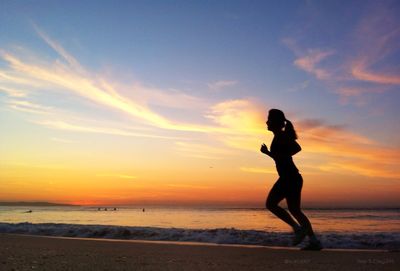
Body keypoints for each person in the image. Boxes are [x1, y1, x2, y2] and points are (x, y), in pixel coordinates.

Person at [260, 109, 322, 250]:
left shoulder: (281, 136)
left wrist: (275, 154)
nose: (266, 122)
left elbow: (296, 148)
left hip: (289, 178)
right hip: (292, 177)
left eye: (268, 119)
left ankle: (297, 229)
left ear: (275, 122)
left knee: (271, 204)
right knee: (295, 210)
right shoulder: (278, 136)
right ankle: (314, 242)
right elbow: (283, 155)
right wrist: (270, 154)